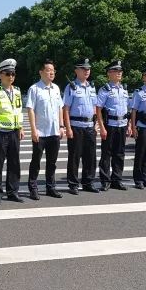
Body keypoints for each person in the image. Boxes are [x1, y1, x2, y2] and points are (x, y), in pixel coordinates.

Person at [0, 58, 24, 205]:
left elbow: (18, 111)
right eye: (8, 73)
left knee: (15, 163)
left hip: (14, 132)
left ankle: (13, 192)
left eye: (13, 73)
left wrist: (21, 128)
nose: (11, 76)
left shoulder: (18, 91)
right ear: (0, 75)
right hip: (1, 132)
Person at [26, 59, 64, 200]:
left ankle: (51, 187)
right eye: (48, 70)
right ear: (41, 72)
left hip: (54, 131)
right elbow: (30, 109)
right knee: (36, 161)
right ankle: (33, 188)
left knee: (52, 162)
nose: (51, 73)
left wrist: (61, 126)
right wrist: (33, 129)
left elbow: (60, 108)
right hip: (40, 132)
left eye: (53, 70)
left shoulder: (56, 88)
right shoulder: (34, 89)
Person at [63, 58, 99, 194]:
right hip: (76, 126)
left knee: (90, 157)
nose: (87, 71)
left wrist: (95, 125)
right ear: (76, 70)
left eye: (88, 69)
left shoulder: (92, 87)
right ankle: (73, 184)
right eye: (83, 69)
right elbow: (66, 109)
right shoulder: (71, 87)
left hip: (90, 126)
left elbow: (95, 107)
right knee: (74, 157)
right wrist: (68, 128)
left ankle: (88, 182)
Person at [96, 60, 131, 191]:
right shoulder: (105, 89)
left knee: (120, 153)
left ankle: (117, 179)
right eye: (116, 71)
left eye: (120, 71)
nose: (119, 73)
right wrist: (102, 127)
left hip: (122, 124)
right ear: (109, 74)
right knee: (106, 153)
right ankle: (105, 180)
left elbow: (127, 108)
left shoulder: (124, 89)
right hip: (110, 124)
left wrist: (128, 125)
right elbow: (98, 109)